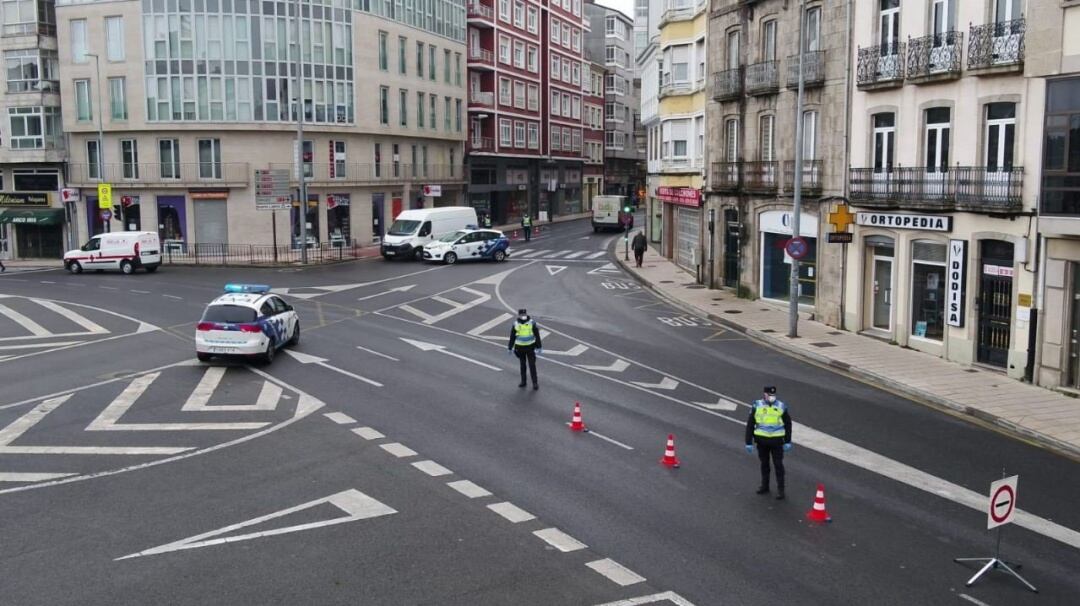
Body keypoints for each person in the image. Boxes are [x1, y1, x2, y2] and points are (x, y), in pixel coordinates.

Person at [745, 386, 792, 499]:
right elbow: (750, 424)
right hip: (762, 441)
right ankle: (764, 486)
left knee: (778, 465)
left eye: (773, 395)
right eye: (769, 395)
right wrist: (748, 442)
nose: (771, 397)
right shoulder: (757, 405)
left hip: (777, 441)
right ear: (764, 394)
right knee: (764, 464)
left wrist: (787, 441)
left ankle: (781, 490)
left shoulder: (781, 406)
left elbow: (788, 424)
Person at [507, 308, 542, 389]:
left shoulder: (531, 322)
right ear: (519, 315)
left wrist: (539, 346)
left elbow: (537, 335)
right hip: (520, 348)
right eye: (522, 315)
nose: (523, 316)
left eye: (524, 314)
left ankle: (535, 383)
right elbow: (512, 336)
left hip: (530, 347)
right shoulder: (516, 324)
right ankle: (523, 381)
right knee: (522, 365)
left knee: (532, 365)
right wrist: (510, 347)